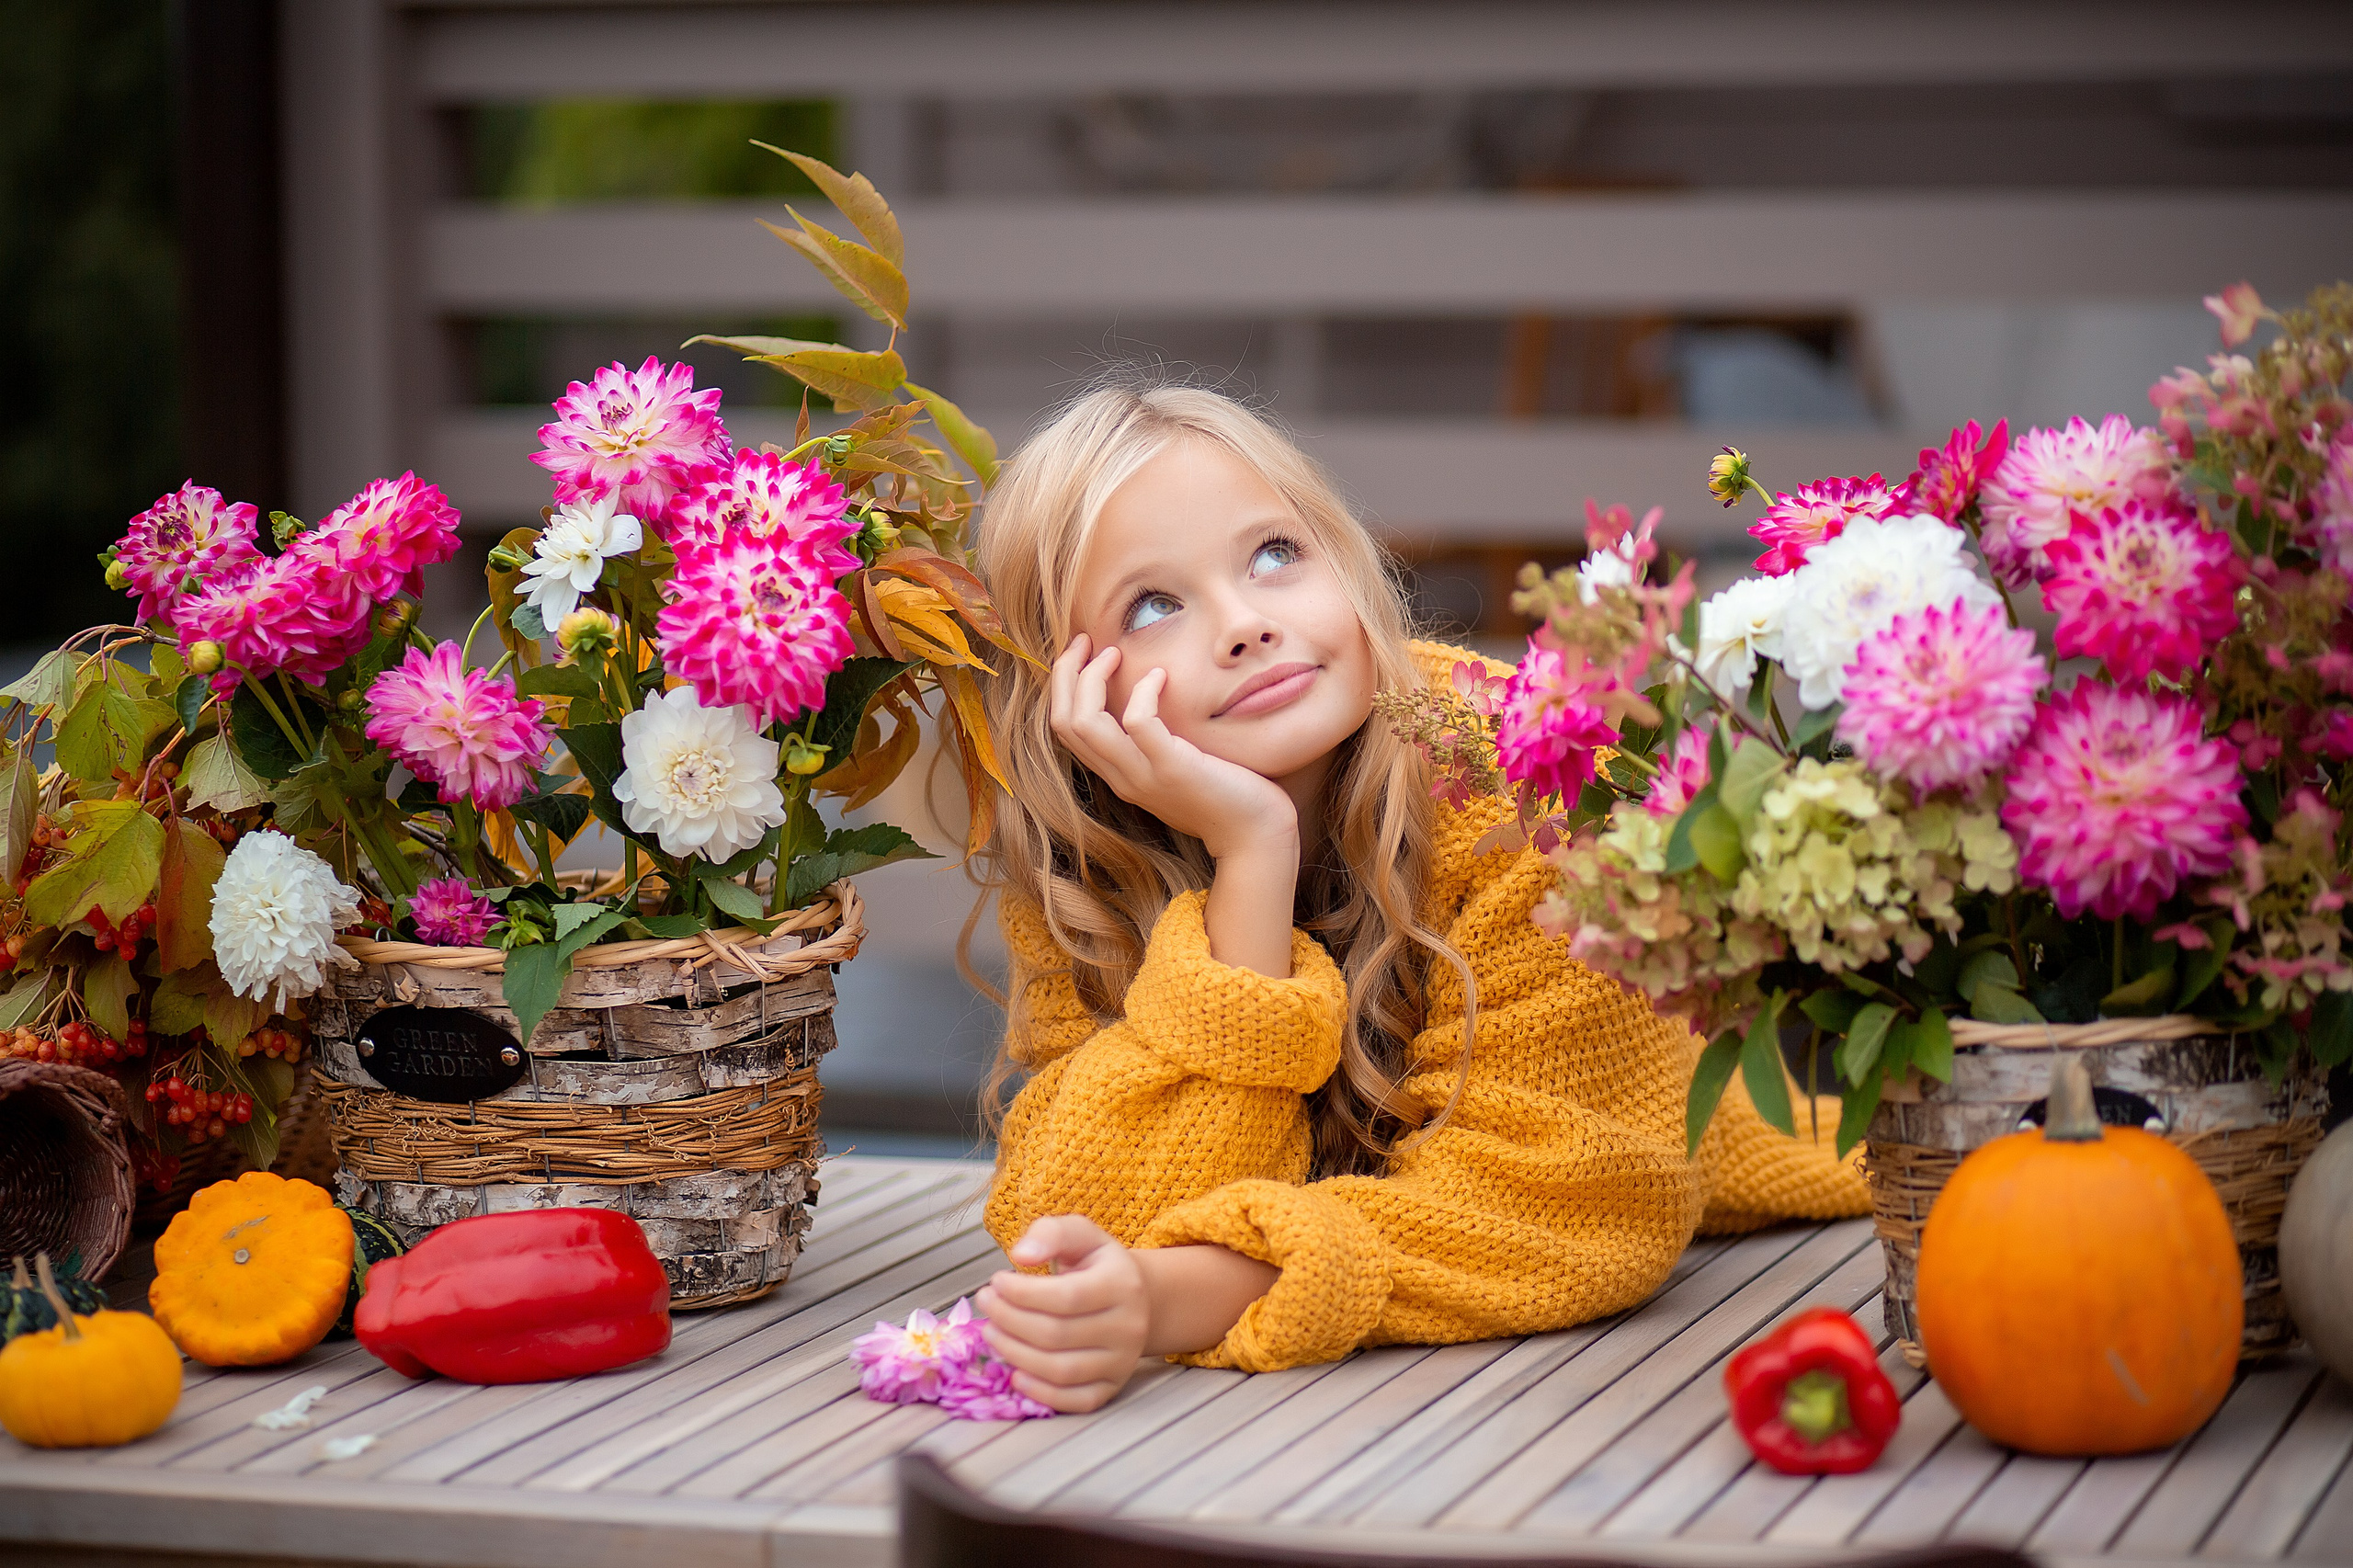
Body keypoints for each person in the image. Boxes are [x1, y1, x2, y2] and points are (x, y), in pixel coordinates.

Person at [962, 383, 1868, 1414]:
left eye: (1273, 553)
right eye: (1153, 605)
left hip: (1596, 1374)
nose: (1246, 624)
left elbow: (1566, 1209)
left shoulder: (1524, 785)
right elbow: (1078, 1219)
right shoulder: (1089, 855)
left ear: (1344, 560)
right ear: (1071, 695)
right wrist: (1253, 856)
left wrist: (1176, 1294)